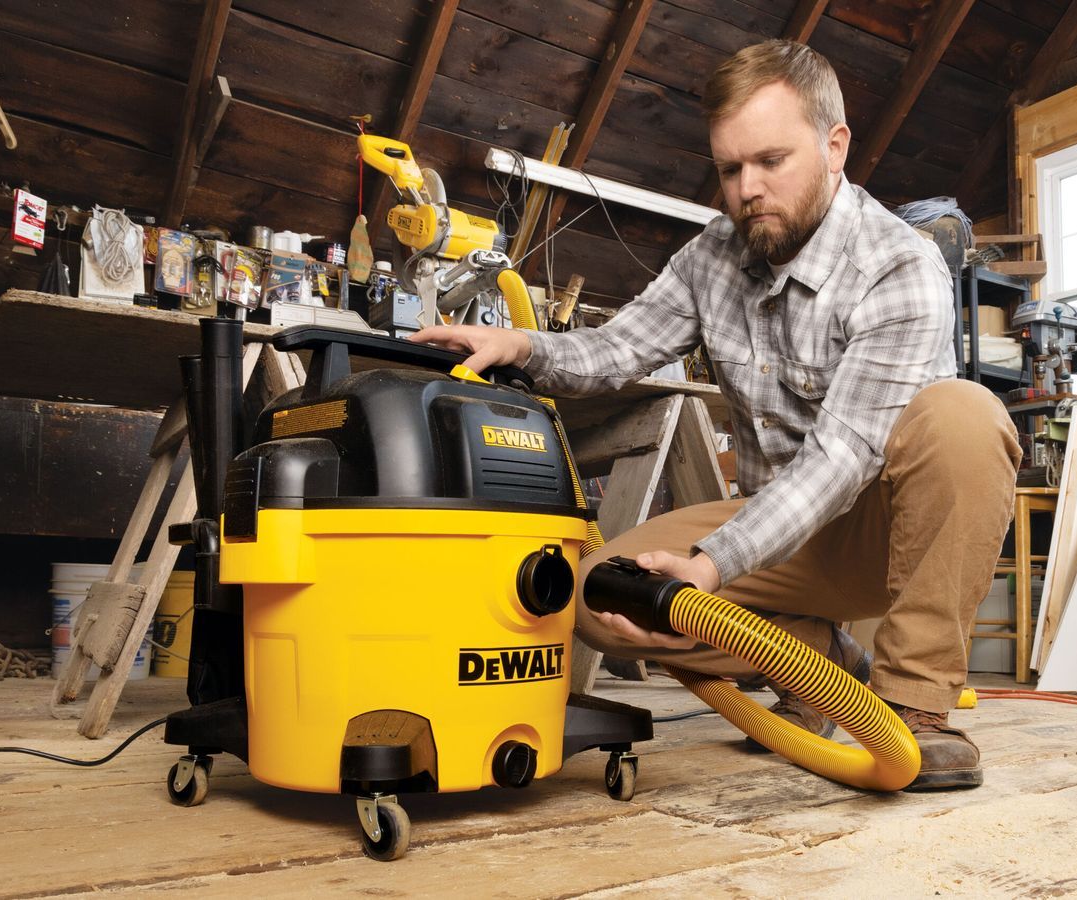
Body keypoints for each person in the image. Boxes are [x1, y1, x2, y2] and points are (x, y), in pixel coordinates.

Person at [411, 39, 1021, 791]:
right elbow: (617, 349)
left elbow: (841, 458)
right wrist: (519, 344)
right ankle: (821, 662)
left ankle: (915, 706)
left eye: (770, 161)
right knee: (599, 595)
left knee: (964, 415)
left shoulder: (896, 264)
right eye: (731, 169)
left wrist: (710, 565)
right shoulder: (714, 256)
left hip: (881, 532)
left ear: (835, 148)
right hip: (778, 536)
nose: (747, 189)